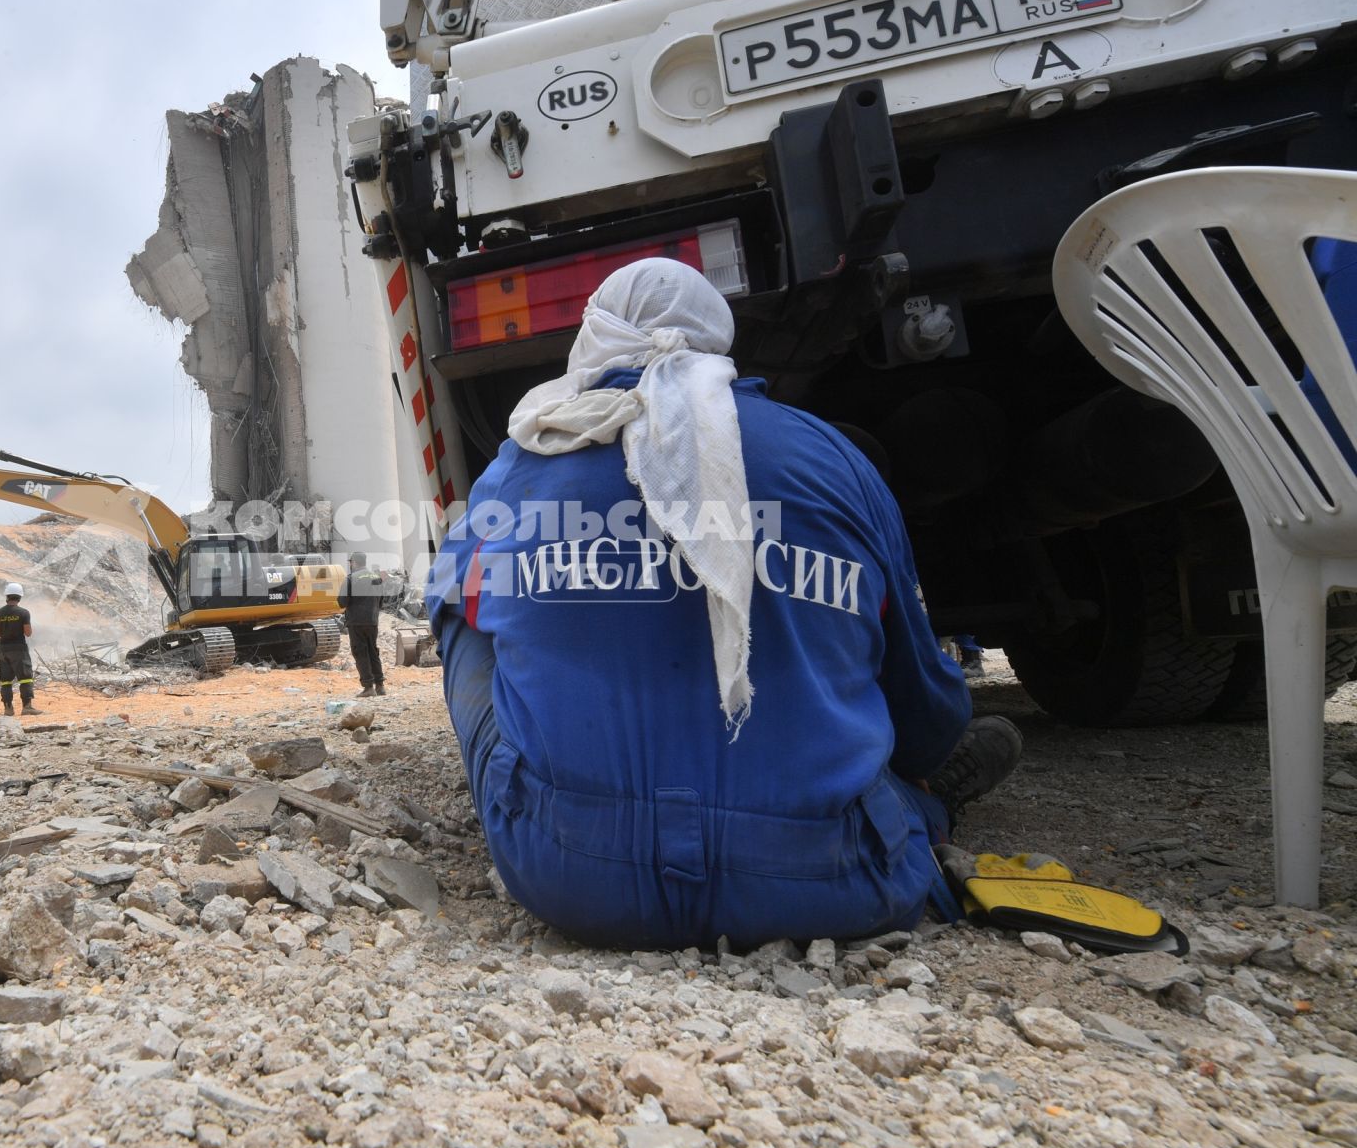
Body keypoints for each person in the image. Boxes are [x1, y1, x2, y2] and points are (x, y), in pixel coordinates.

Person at [427, 258, 1022, 950]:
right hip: (837, 882)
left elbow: (470, 599)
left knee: (456, 597)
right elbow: (928, 717)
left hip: (572, 875)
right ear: (718, 342)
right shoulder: (834, 460)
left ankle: (542, 791)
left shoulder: (522, 464)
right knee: (892, 728)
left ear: (597, 337)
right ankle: (921, 807)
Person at [340, 552, 388, 696]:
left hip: (356, 621)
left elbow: (342, 601)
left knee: (360, 652)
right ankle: (380, 685)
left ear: (354, 563)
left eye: (351, 563)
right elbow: (381, 602)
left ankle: (368, 687)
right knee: (373, 651)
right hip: (372, 621)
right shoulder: (376, 578)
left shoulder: (350, 579)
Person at [0, 583, 42, 716]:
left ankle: (8, 709)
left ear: (7, 596)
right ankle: (27, 707)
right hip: (19, 649)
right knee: (25, 678)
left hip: (3, 649)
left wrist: (6, 630)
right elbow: (28, 633)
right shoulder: (23, 613)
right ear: (19, 597)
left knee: (6, 680)